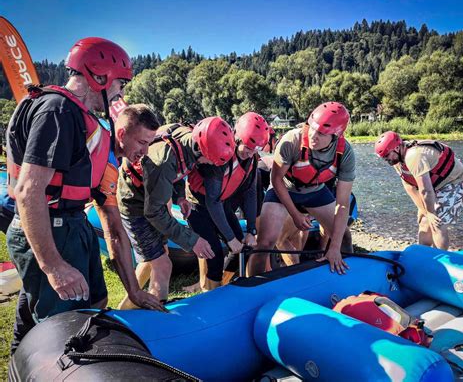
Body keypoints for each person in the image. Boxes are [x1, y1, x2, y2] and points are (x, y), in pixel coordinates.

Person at [6, 37, 164, 355]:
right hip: (51, 228)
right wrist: (54, 266)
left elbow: (113, 224)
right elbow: (28, 191)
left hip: (72, 225)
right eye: (119, 84)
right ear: (99, 75)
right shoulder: (57, 110)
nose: (121, 93)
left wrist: (134, 289)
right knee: (62, 330)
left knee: (93, 306)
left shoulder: (87, 124)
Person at [116, 116, 235, 304]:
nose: (213, 165)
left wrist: (179, 196)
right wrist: (192, 240)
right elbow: (154, 212)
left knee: (155, 258)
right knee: (163, 265)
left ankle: (129, 308)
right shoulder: (163, 160)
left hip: (152, 196)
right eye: (211, 161)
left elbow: (177, 172)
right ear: (200, 149)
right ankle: (156, 319)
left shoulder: (189, 142)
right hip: (135, 204)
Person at [247, 102, 355, 276]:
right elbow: (276, 179)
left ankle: (346, 275)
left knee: (344, 236)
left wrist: (334, 248)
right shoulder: (292, 140)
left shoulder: (346, 153)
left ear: (336, 135)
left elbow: (342, 204)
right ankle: (251, 285)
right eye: (312, 128)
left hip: (315, 192)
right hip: (284, 189)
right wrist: (295, 215)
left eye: (321, 133)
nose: (313, 135)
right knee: (265, 243)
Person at [186, 112, 269, 290]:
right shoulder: (221, 156)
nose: (250, 153)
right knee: (214, 254)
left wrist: (252, 230)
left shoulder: (251, 159)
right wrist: (230, 238)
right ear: (237, 138)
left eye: (254, 149)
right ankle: (210, 293)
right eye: (247, 147)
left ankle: (220, 285)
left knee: (242, 247)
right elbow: (212, 201)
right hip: (198, 206)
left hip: (220, 204)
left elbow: (250, 193)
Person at [374, 131, 463, 249]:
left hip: (455, 181)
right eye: (384, 158)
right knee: (424, 221)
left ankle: (439, 258)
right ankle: (423, 256)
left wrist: (431, 213)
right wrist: (423, 210)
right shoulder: (397, 160)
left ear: (397, 147)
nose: (386, 160)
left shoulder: (414, 156)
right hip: (434, 186)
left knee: (437, 222)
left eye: (387, 155)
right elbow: (409, 185)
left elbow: (426, 191)